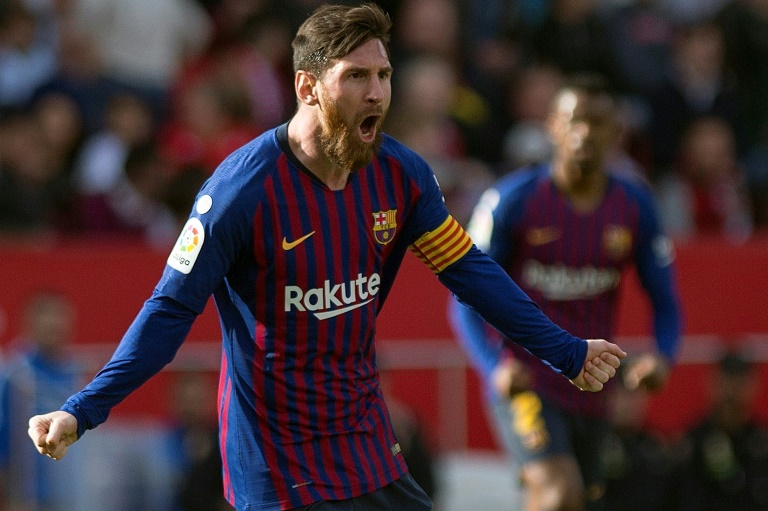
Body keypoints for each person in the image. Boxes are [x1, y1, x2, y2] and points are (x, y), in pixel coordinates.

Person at [27, 5, 626, 511]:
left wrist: (565, 351)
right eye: (357, 76)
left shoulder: (402, 175)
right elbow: (168, 311)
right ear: (307, 87)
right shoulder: (240, 191)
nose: (377, 93)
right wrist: (82, 411)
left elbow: (470, 272)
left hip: (365, 442)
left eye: (384, 75)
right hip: (277, 460)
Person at [450, 74, 682, 511]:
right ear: (552, 126)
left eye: (598, 122)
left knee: (565, 498)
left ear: (616, 132)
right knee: (560, 492)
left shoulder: (635, 205)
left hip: (593, 388)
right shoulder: (512, 200)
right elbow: (463, 297)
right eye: (575, 120)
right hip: (526, 380)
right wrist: (493, 366)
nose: (585, 133)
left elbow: (666, 302)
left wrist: (663, 356)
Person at [0, 291, 83, 511]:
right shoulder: (13, 373)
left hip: (70, 494)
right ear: (30, 323)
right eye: (47, 317)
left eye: (60, 318)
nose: (55, 324)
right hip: (27, 496)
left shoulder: (75, 371)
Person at [676, 349, 768, 511]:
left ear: (752, 386)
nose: (731, 393)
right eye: (725, 383)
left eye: (738, 385)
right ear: (712, 384)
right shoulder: (691, 444)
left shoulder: (761, 445)